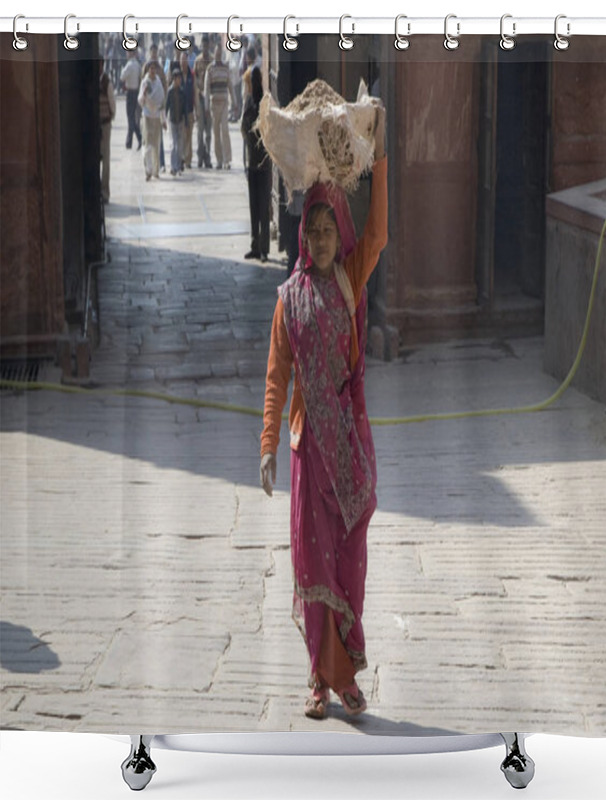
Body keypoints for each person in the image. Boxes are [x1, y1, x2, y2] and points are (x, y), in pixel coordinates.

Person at [260, 103, 387, 720]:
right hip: (311, 451)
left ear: (341, 231)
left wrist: (380, 159)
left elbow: (381, 231)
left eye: (328, 231)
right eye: (310, 233)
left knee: (349, 565)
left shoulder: (350, 281)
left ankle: (349, 675)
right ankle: (318, 676)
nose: (318, 240)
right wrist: (266, 445)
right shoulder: (291, 298)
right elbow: (277, 376)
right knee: (313, 564)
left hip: (350, 445)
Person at [241, 67, 272, 262]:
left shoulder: (263, 104)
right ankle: (257, 245)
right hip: (256, 162)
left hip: (261, 162)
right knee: (256, 206)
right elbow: (245, 127)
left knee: (261, 207)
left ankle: (263, 248)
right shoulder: (252, 103)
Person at [204, 43, 234, 169]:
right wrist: (206, 106)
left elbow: (230, 86)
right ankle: (219, 160)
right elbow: (206, 89)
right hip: (214, 104)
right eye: (216, 53)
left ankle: (227, 160)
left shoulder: (225, 69)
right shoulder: (210, 69)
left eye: (219, 54)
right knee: (216, 132)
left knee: (225, 130)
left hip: (224, 104)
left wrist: (235, 102)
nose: (217, 55)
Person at [138, 61, 166, 181]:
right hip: (147, 116)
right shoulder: (145, 83)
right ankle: (148, 170)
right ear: (148, 70)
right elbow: (140, 101)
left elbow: (161, 102)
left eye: (154, 69)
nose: (153, 71)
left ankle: (155, 170)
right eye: (151, 69)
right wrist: (144, 95)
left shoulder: (158, 83)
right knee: (148, 145)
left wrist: (163, 120)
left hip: (156, 118)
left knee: (156, 145)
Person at [193, 35, 213, 169]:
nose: (205, 48)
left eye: (207, 46)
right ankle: (200, 157)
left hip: (210, 99)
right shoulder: (197, 61)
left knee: (208, 132)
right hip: (200, 98)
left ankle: (207, 157)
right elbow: (195, 81)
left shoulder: (212, 61)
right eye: (203, 46)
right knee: (200, 131)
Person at [99, 58, 117, 204]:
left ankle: (105, 192)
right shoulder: (93, 81)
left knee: (105, 159)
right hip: (95, 125)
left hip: (104, 124)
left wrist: (110, 117)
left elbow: (112, 103)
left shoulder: (106, 82)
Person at [165, 69, 187, 177]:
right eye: (178, 78)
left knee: (179, 145)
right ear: (174, 79)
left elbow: (185, 108)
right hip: (173, 121)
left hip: (180, 121)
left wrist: (186, 120)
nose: (179, 80)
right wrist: (164, 119)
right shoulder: (170, 92)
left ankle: (178, 167)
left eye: (180, 78)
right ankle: (173, 167)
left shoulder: (182, 92)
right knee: (173, 145)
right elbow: (167, 106)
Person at [120, 49, 142, 150]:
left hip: (130, 93)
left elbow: (122, 77)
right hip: (136, 92)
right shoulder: (137, 64)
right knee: (131, 117)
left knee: (131, 118)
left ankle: (139, 137)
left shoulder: (129, 65)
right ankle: (129, 142)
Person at [178, 51, 195, 169]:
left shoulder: (191, 74)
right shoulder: (176, 75)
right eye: (181, 61)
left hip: (189, 110)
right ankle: (181, 158)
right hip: (179, 112)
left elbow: (195, 92)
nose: (183, 63)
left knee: (189, 136)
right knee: (181, 136)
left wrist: (197, 110)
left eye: (185, 61)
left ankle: (188, 159)